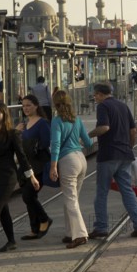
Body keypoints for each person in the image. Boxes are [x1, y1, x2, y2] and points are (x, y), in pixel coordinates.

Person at [0, 102, 40, 256]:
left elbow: (22, 158)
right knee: (3, 210)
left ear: (4, 115)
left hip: (7, 177)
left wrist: (32, 177)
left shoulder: (12, 134)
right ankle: (11, 241)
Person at [88, 82, 137, 239]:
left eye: (95, 95)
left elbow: (104, 127)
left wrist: (87, 136)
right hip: (125, 154)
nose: (95, 98)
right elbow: (133, 131)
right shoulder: (123, 106)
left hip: (108, 155)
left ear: (101, 94)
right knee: (127, 191)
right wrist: (129, 147)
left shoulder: (103, 106)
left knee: (101, 192)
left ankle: (101, 227)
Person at [49, 90, 92, 249]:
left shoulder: (56, 121)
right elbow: (87, 142)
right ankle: (70, 233)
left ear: (56, 104)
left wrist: (53, 166)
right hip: (81, 159)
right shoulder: (77, 119)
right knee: (72, 198)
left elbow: (56, 144)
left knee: (71, 199)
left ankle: (80, 234)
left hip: (67, 161)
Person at [15, 95, 53, 240]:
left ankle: (44, 219)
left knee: (28, 195)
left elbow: (46, 142)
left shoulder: (42, 123)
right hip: (26, 165)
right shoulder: (24, 123)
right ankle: (34, 228)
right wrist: (17, 133)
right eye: (23, 106)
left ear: (36, 106)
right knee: (28, 197)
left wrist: (33, 145)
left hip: (39, 164)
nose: (26, 108)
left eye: (29, 105)